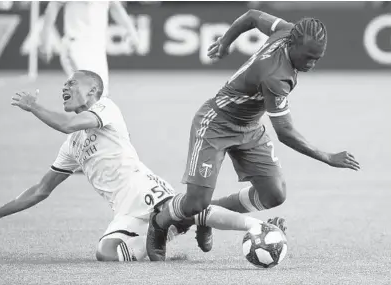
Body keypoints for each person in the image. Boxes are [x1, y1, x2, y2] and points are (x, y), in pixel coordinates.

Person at [0, 70, 269, 261]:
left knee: (185, 208)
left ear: (94, 91)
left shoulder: (106, 108)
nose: (65, 87)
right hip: (125, 210)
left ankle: (256, 226)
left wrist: (33, 106)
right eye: (64, 83)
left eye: (73, 82)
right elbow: (41, 190)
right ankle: (182, 225)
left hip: (145, 188)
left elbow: (67, 124)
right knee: (105, 253)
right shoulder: (72, 147)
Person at [146, 9, 361, 261]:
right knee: (195, 203)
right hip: (215, 124)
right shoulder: (275, 76)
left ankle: (207, 215)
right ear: (293, 45)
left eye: (317, 58)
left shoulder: (287, 30)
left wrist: (225, 42)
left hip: (249, 126)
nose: (312, 65)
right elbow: (285, 132)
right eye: (308, 57)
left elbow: (252, 16)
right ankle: (160, 223)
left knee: (274, 194)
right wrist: (327, 157)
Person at [39, 1, 140, 97]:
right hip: (76, 46)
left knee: (101, 97)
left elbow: (116, 8)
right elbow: (53, 6)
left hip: (98, 49)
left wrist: (132, 31)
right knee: (89, 94)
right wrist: (45, 41)